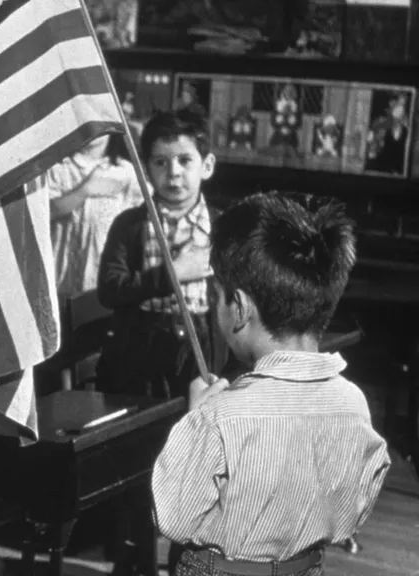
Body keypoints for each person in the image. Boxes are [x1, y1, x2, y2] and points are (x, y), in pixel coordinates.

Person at [152, 192, 391, 575]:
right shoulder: (354, 403)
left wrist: (195, 419)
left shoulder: (220, 415)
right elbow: (353, 510)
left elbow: (174, 516)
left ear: (241, 309)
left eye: (217, 298)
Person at [97, 106, 230, 399]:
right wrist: (173, 274)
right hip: (141, 356)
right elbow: (110, 290)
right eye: (160, 162)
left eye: (185, 160)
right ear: (146, 169)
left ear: (206, 166)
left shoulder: (223, 227)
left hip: (203, 353)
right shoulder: (130, 225)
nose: (173, 173)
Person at [47, 134, 143, 301]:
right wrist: (85, 190)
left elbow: (139, 218)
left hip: (101, 282)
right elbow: (46, 211)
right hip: (60, 281)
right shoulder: (57, 167)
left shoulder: (124, 170)